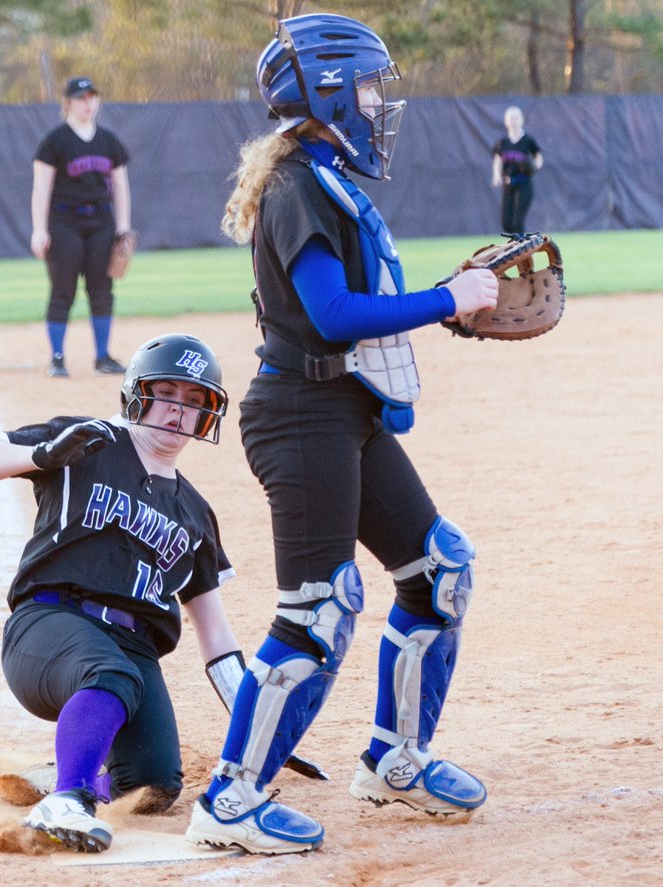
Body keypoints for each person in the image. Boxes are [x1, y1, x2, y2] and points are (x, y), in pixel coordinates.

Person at [183, 14, 500, 856]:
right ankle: (231, 797)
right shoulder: (298, 185)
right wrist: (448, 299)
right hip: (300, 415)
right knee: (317, 610)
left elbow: (357, 308)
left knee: (438, 569)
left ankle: (396, 759)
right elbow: (330, 314)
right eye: (364, 86)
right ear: (324, 93)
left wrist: (441, 304)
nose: (376, 102)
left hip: (343, 409)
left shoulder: (320, 174)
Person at [0, 333, 247, 854]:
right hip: (50, 624)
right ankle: (67, 799)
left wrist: (255, 721)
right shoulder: (88, 442)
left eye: (193, 400)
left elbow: (216, 635)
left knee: (152, 786)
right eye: (166, 393)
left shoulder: (195, 513)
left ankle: (67, 771)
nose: (178, 410)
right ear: (138, 394)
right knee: (110, 673)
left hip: (134, 648)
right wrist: (42, 455)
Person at [30, 76, 133, 377]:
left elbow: (121, 186)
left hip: (101, 222)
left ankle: (102, 357)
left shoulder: (109, 141)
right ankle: (57, 358)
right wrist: (39, 229)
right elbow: (41, 188)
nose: (88, 103)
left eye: (92, 97)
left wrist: (123, 227)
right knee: (63, 290)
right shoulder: (55, 141)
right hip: (64, 222)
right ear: (68, 103)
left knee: (102, 290)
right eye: (81, 98)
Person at [491, 105, 543, 235]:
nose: (513, 121)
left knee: (518, 221)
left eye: (516, 118)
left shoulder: (527, 140)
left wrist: (535, 166)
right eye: (511, 118)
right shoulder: (503, 142)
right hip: (508, 184)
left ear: (522, 120)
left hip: (524, 183)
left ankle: (520, 245)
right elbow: (497, 160)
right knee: (506, 223)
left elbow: (538, 156)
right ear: (506, 121)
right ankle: (516, 241)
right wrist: (496, 176)